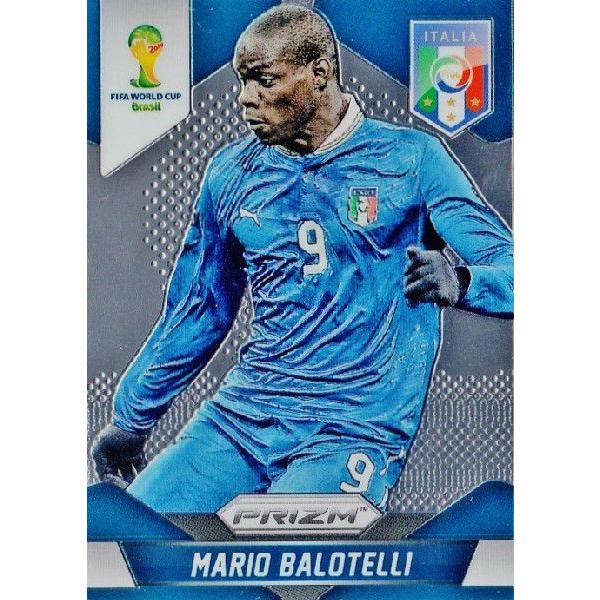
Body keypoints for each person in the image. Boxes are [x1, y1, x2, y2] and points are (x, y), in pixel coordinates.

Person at [93, 5, 513, 513]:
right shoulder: (232, 174)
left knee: (291, 556)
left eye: (264, 80)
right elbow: (200, 307)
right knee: (139, 533)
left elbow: (513, 267)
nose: (245, 97)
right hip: (243, 418)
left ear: (319, 73)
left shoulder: (413, 160)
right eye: (242, 81)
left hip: (353, 425)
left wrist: (465, 281)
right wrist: (132, 417)